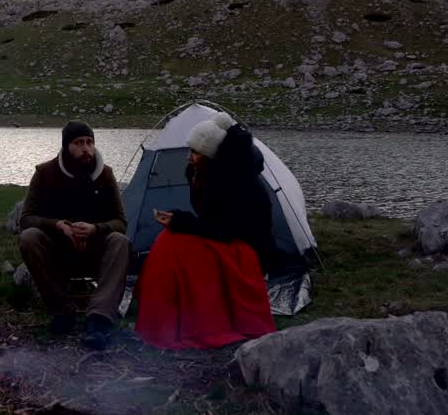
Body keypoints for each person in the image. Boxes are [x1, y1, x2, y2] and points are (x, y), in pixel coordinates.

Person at [135, 113, 277, 349]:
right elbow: (214, 222)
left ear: (212, 156)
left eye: (196, 153)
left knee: (172, 244)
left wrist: (181, 221)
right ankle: (165, 320)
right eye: (190, 150)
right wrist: (178, 220)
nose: (189, 157)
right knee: (170, 241)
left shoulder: (238, 182)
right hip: (224, 238)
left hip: (247, 250)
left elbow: (228, 229)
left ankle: (182, 323)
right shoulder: (206, 173)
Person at [18, 120, 130, 350]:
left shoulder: (105, 175)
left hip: (95, 253)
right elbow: (26, 218)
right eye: (79, 143)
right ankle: (62, 310)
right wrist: (58, 225)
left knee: (120, 241)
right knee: (29, 238)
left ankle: (98, 318)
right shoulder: (44, 173)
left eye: (90, 142)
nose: (86, 148)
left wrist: (95, 229)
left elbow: (120, 222)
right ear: (66, 146)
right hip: (58, 253)